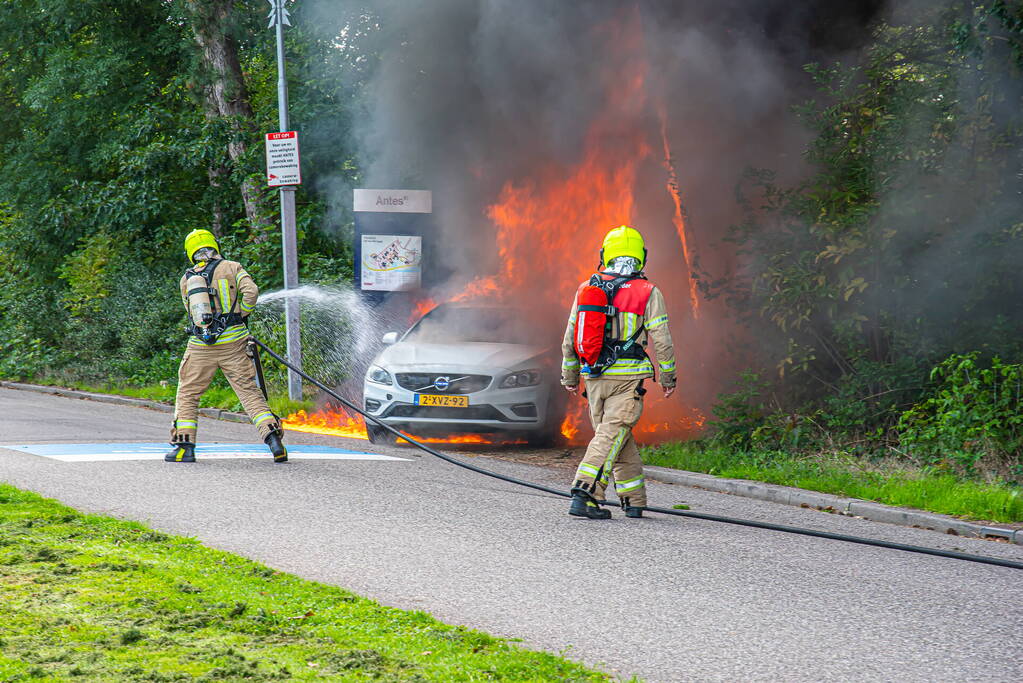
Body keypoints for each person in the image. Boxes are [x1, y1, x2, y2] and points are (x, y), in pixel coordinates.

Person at [560, 225, 676, 519]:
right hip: (628, 380)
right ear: (642, 257)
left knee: (616, 435)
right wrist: (668, 377)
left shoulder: (587, 288)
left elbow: (571, 337)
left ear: (604, 254)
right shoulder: (648, 292)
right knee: (611, 436)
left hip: (595, 378)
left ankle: (634, 500)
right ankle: (585, 493)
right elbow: (661, 339)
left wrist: (570, 376)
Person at [164, 229, 288, 463]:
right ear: (214, 245)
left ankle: (184, 448)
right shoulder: (233, 267)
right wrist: (241, 314)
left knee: (188, 394)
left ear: (191, 251)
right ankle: (274, 441)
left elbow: (190, 311)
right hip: (234, 341)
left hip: (201, 345)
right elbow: (251, 292)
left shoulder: (187, 278)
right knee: (249, 393)